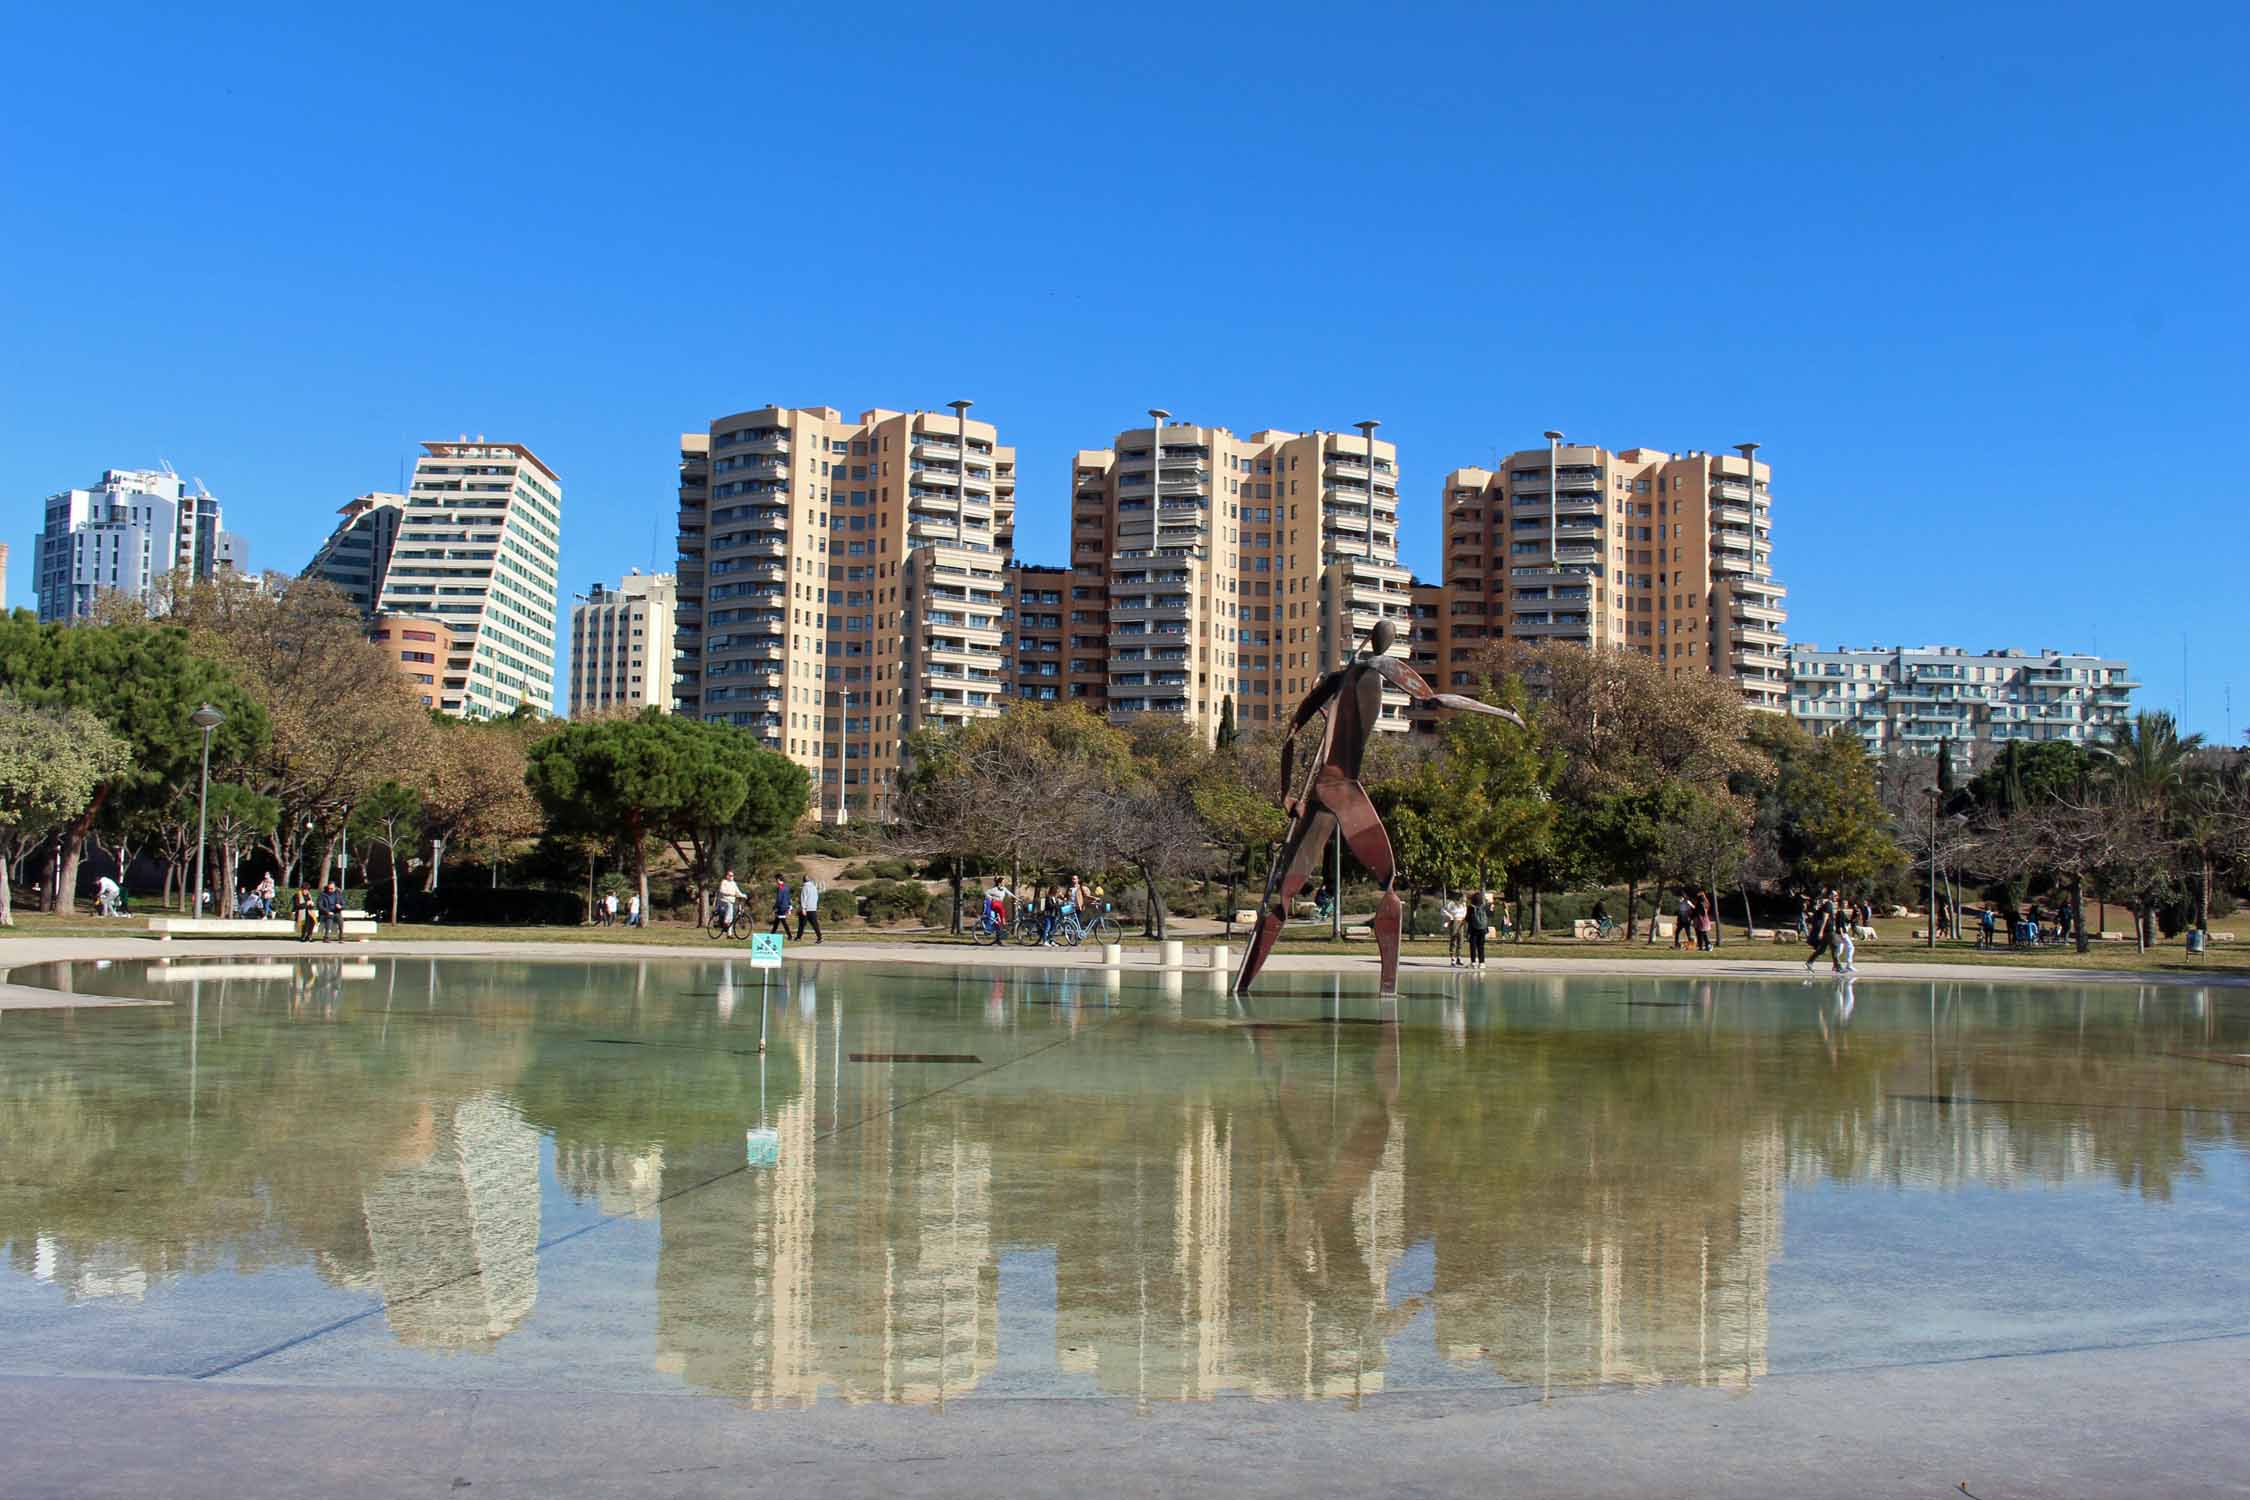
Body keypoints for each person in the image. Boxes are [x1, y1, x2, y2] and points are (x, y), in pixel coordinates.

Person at [1805, 894, 1833, 973]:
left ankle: (1810, 962)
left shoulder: (1825, 906)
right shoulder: (1827, 905)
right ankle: (1837, 966)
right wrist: (1821, 931)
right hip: (1823, 930)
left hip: (1825, 929)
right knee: (1828, 947)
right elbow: (1824, 919)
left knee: (1822, 948)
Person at [1464, 890, 1491, 970]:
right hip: (1483, 929)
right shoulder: (1485, 907)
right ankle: (1482, 963)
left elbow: (1467, 919)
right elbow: (1489, 915)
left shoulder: (1470, 908)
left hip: (1473, 929)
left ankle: (1473, 963)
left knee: (1473, 946)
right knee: (1481, 946)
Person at [1442, 893, 1467, 967]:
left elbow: (1465, 912)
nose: (1464, 900)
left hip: (1461, 921)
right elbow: (1443, 910)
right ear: (1460, 898)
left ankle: (1459, 957)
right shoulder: (1451, 904)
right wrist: (1450, 916)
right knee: (1454, 940)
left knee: (1461, 940)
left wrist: (1464, 919)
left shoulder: (1464, 904)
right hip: (1454, 922)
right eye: (1463, 898)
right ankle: (1452, 958)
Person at [796, 874, 823, 944]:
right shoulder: (814, 887)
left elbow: (803, 899)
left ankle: (798, 937)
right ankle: (820, 937)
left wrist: (803, 908)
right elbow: (816, 897)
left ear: (803, 880)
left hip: (806, 908)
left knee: (802, 924)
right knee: (815, 924)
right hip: (813, 908)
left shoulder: (804, 888)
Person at [717, 868, 743, 933]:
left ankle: (729, 934)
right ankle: (725, 922)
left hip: (731, 901)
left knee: (731, 917)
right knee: (729, 907)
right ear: (727, 876)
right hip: (723, 900)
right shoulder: (724, 882)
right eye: (730, 875)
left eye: (732, 876)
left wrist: (743, 895)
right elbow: (721, 891)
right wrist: (729, 894)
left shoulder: (734, 883)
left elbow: (737, 892)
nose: (732, 877)